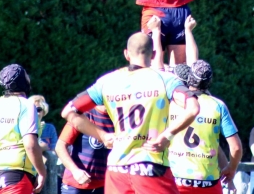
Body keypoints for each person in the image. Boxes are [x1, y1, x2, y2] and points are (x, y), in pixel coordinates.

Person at [61, 32, 200, 194]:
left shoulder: (107, 82)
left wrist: (102, 136)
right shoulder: (165, 80)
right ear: (154, 54)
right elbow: (193, 108)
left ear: (126, 54)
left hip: (117, 169)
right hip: (150, 166)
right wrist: (166, 135)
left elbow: (68, 111)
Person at [168, 60, 243, 194]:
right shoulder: (218, 106)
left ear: (189, 78)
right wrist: (231, 168)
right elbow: (236, 147)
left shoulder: (174, 102)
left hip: (176, 180)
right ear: (209, 82)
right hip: (208, 182)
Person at [0, 64, 47, 194]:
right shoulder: (26, 105)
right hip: (15, 175)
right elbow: (30, 145)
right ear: (22, 81)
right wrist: (42, 172)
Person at [55, 105, 114, 194]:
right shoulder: (82, 116)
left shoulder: (118, 118)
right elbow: (60, 146)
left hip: (104, 184)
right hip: (75, 183)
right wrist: (75, 171)